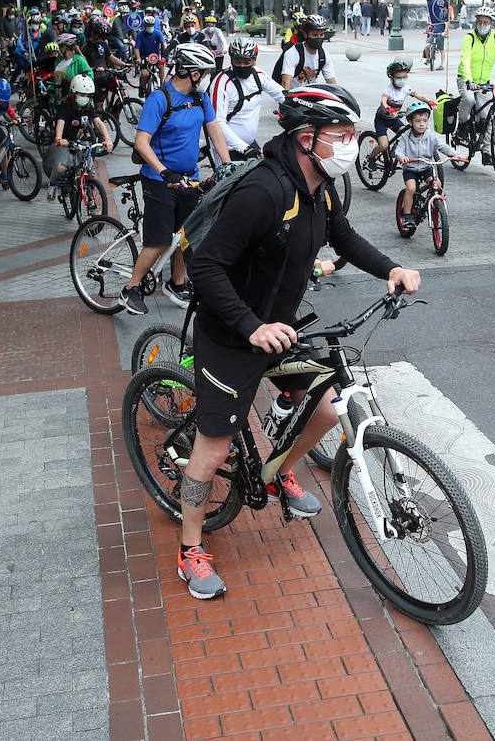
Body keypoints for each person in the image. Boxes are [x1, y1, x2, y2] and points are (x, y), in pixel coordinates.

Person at [177, 85, 421, 599]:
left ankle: (275, 474)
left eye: (353, 134)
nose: (351, 144)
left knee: (328, 409)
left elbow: (344, 237)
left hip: (279, 332)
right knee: (211, 451)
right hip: (231, 336)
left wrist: (391, 268)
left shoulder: (321, 188)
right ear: (307, 138)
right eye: (342, 135)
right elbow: (205, 266)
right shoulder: (262, 192)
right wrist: (251, 327)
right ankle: (190, 547)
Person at [121, 43, 233, 315]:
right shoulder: (160, 99)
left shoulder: (200, 98)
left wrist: (228, 164)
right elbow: (141, 143)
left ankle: (177, 283)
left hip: (188, 178)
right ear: (193, 73)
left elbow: (214, 130)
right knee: (159, 241)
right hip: (159, 180)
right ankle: (131, 289)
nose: (206, 77)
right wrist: (163, 171)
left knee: (187, 234)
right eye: (205, 72)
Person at [208, 37, 286, 163]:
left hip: (249, 145)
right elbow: (217, 123)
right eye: (237, 61)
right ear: (231, 59)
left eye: (246, 62)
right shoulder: (221, 82)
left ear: (254, 60)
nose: (242, 66)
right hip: (226, 148)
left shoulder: (258, 75)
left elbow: (283, 95)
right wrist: (244, 148)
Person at [456, 6, 495, 162]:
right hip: (466, 79)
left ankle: (486, 151)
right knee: (469, 99)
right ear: (476, 22)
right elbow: (465, 60)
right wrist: (469, 81)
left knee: (488, 115)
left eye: (486, 22)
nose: (482, 25)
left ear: (492, 23)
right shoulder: (469, 38)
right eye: (480, 22)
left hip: (484, 83)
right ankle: (462, 125)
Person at [393, 100, 459, 232]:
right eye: (418, 121)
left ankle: (433, 204)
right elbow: (398, 150)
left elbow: (443, 147)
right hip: (410, 169)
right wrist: (402, 157)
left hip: (426, 167)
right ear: (410, 122)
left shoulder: (431, 136)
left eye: (425, 120)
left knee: (437, 184)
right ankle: (407, 215)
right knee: (411, 188)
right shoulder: (405, 137)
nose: (422, 124)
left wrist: (455, 155)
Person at [49, 73, 116, 201]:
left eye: (88, 96)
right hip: (66, 141)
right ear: (73, 93)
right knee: (60, 167)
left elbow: (98, 122)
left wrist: (108, 139)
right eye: (82, 95)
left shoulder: (88, 107)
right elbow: (60, 123)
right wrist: (59, 139)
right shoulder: (65, 107)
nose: (85, 98)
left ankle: (91, 199)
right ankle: (52, 186)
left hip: (82, 141)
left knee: (90, 170)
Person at [373, 59, 428, 157]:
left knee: (406, 133)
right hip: (382, 119)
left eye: (404, 77)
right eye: (399, 78)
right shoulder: (389, 90)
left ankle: (396, 148)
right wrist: (389, 109)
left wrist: (429, 102)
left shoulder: (406, 89)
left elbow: (418, 95)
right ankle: (370, 158)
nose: (402, 80)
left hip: (394, 118)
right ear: (392, 78)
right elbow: (383, 101)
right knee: (384, 145)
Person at [274, 15, 336, 89]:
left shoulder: (324, 55)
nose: (318, 38)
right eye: (315, 35)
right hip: (293, 93)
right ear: (305, 34)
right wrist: (287, 95)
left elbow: (331, 81)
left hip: (310, 92)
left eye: (321, 35)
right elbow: (286, 81)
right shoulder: (293, 53)